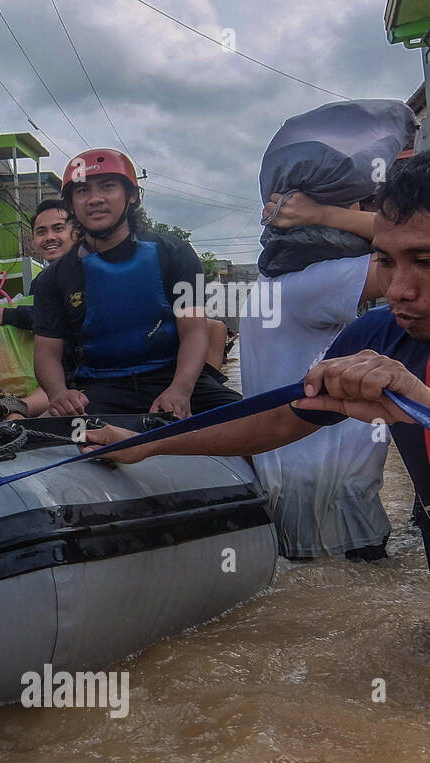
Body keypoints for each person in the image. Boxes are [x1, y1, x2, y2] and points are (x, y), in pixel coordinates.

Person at [83, 152, 430, 568]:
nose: (398, 290)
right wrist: (147, 444)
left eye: (424, 262)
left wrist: (422, 402)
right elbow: (278, 420)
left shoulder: (309, 291)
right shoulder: (379, 334)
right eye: (386, 262)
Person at [34, 148, 241, 418]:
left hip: (173, 378)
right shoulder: (53, 278)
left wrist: (181, 389)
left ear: (132, 195)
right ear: (71, 205)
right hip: (99, 387)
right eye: (83, 191)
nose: (95, 199)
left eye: (107, 187)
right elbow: (47, 352)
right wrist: (59, 394)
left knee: (251, 420)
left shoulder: (174, 253)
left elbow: (194, 332)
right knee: (41, 439)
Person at [241, 189, 391, 560]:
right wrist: (322, 212)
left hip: (297, 488)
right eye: (363, 206)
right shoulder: (323, 280)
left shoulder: (272, 284)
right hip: (335, 497)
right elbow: (414, 240)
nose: (371, 215)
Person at [0, 197, 73, 332]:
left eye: (58, 228)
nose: (50, 237)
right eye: (41, 232)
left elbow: (67, 316)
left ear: (77, 233)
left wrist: (6, 314)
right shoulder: (42, 280)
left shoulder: (86, 271)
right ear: (33, 242)